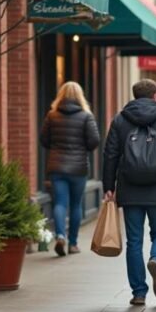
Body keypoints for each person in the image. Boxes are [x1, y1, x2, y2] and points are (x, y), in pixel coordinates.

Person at [102, 79, 156, 306]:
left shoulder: (120, 120)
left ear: (134, 95)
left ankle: (139, 292)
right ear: (155, 95)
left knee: (134, 241)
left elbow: (110, 154)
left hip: (130, 188)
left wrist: (108, 186)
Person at [40, 81, 100, 257]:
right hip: (78, 168)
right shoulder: (86, 116)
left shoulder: (52, 115)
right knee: (75, 205)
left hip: (57, 166)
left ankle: (60, 235)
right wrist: (82, 148)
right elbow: (94, 141)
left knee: (59, 203)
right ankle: (73, 243)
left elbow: (44, 140)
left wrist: (56, 146)